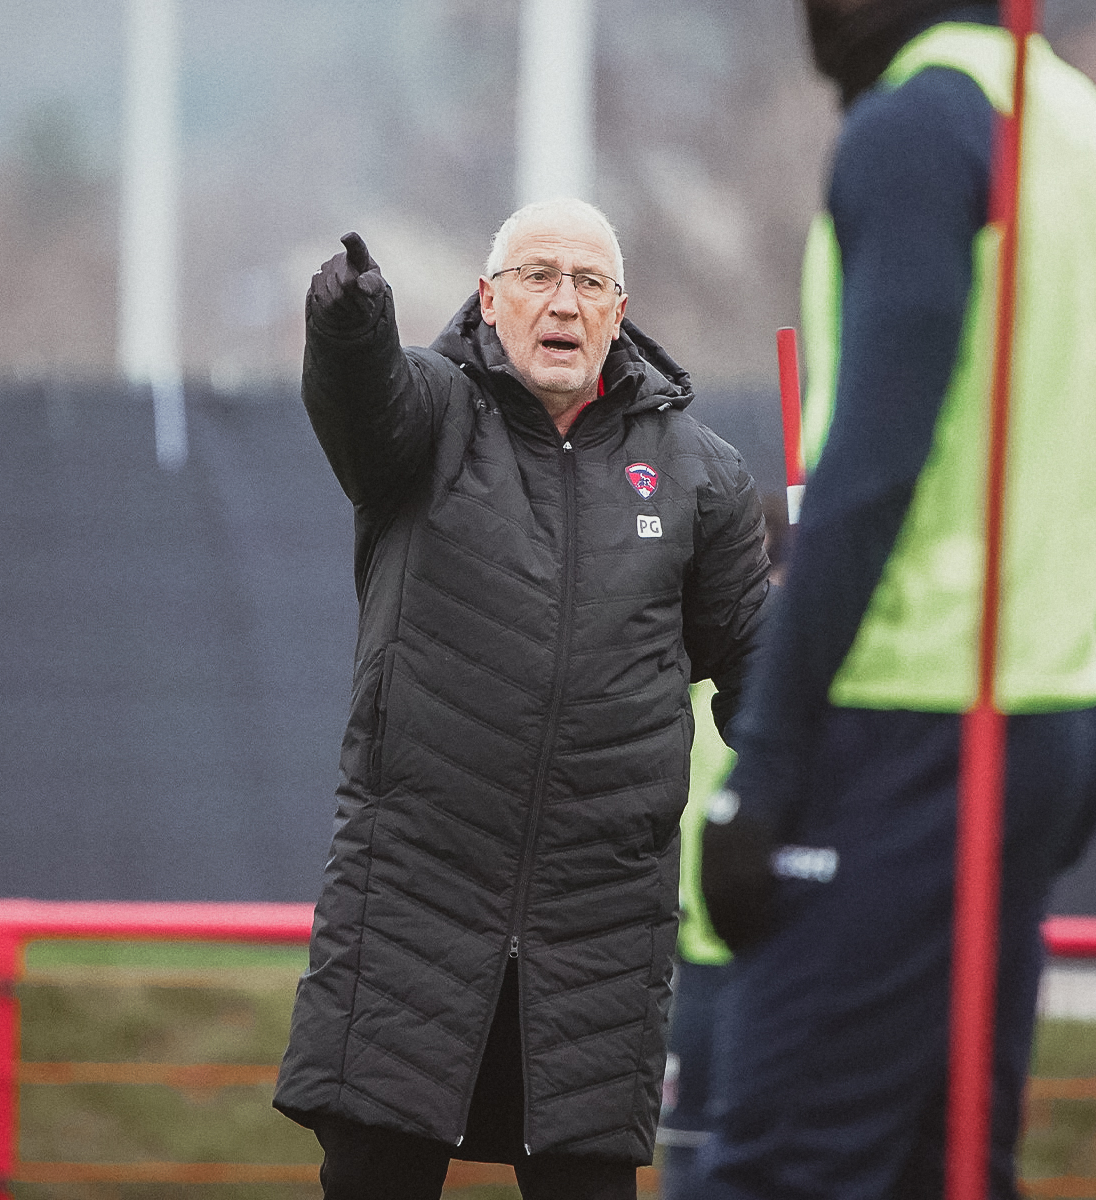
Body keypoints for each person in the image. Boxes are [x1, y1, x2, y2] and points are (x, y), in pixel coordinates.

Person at [697, 2, 1096, 1197]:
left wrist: (763, 766)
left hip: (913, 730)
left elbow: (878, 457)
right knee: (939, 1166)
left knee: (778, 1166)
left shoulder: (917, 127)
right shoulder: (1074, 123)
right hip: (1045, 726)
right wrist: (1042, 574)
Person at [272, 197, 771, 1200]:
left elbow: (759, 677)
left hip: (601, 935)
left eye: (587, 282)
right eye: (537, 276)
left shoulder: (699, 477)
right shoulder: (430, 416)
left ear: (618, 312)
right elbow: (363, 400)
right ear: (489, 301)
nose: (563, 301)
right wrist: (349, 324)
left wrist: (810, 786)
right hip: (412, 906)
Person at [658, 492, 790, 1199]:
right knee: (691, 1151)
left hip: (781, 950)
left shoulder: (800, 655)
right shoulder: (684, 646)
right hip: (698, 955)